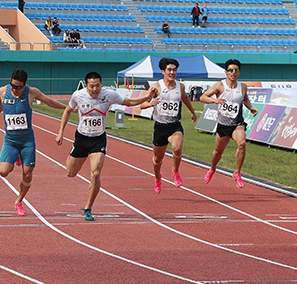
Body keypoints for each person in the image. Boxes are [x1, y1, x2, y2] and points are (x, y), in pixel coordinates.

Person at [55, 72, 156, 221]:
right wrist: (60, 132)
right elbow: (68, 111)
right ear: (86, 86)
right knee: (70, 172)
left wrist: (148, 97)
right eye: (91, 86)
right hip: (82, 138)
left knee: (95, 173)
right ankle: (74, 157)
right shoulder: (78, 95)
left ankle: (88, 208)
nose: (94, 89)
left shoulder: (109, 95)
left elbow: (129, 102)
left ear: (101, 85)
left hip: (98, 139)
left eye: (97, 86)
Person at [0, 69, 67, 216]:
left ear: (25, 85)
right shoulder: (3, 91)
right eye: (13, 86)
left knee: (27, 174)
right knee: (4, 172)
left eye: (18, 87)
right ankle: (16, 157)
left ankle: (19, 201)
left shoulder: (31, 92)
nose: (15, 90)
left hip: (27, 141)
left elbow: (49, 101)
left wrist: (67, 108)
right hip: (10, 140)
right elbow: (0, 104)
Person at [138, 58, 197, 194]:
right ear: (163, 71)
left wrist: (192, 112)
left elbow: (185, 98)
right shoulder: (156, 87)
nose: (172, 72)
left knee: (177, 149)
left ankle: (175, 171)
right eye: (169, 70)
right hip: (160, 127)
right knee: (158, 159)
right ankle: (158, 177)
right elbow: (142, 105)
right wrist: (151, 103)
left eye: (174, 69)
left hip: (174, 125)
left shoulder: (180, 86)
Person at [200, 59, 258, 188]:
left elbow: (246, 99)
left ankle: (237, 173)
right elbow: (202, 97)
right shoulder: (219, 86)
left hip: (237, 123)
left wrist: (251, 108)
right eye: (231, 70)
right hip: (223, 125)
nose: (233, 73)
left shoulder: (242, 86)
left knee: (242, 144)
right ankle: (212, 168)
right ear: (226, 72)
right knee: (217, 152)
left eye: (236, 70)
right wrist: (215, 101)